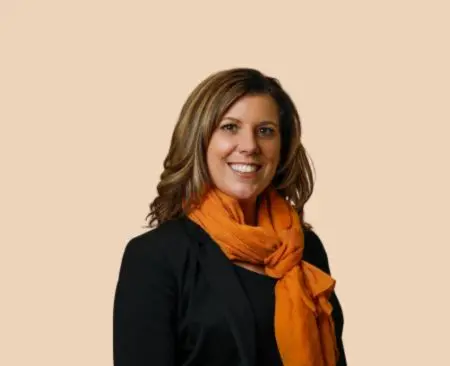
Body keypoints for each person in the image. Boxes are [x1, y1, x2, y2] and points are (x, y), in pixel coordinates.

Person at [113, 67, 347, 366]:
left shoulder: (305, 248)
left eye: (265, 130)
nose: (250, 146)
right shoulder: (155, 257)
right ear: (200, 139)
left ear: (282, 145)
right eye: (230, 127)